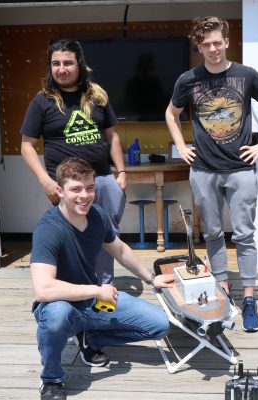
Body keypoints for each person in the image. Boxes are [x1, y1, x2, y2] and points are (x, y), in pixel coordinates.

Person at [165, 16, 258, 333]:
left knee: (244, 235)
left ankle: (249, 297)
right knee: (213, 234)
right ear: (199, 46)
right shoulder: (188, 79)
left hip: (241, 169)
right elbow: (171, 114)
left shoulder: (246, 75)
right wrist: (181, 147)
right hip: (203, 170)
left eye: (218, 42)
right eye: (206, 44)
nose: (213, 49)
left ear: (227, 42)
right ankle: (223, 292)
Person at [30, 157, 174, 400]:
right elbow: (43, 290)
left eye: (90, 188)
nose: (84, 196)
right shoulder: (48, 229)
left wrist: (151, 278)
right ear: (59, 191)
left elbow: (119, 249)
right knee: (56, 317)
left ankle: (90, 336)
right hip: (59, 304)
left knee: (160, 325)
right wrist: (97, 291)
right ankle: (52, 380)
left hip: (91, 303)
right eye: (75, 189)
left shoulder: (97, 215)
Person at [20, 39, 126, 286]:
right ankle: (76, 290)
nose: (61, 68)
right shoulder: (42, 101)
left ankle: (105, 289)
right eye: (56, 63)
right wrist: (45, 181)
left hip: (102, 179)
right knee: (68, 236)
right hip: (66, 186)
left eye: (68, 62)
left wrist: (120, 173)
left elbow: (112, 135)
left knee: (107, 235)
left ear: (79, 64)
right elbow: (27, 145)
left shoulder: (97, 95)